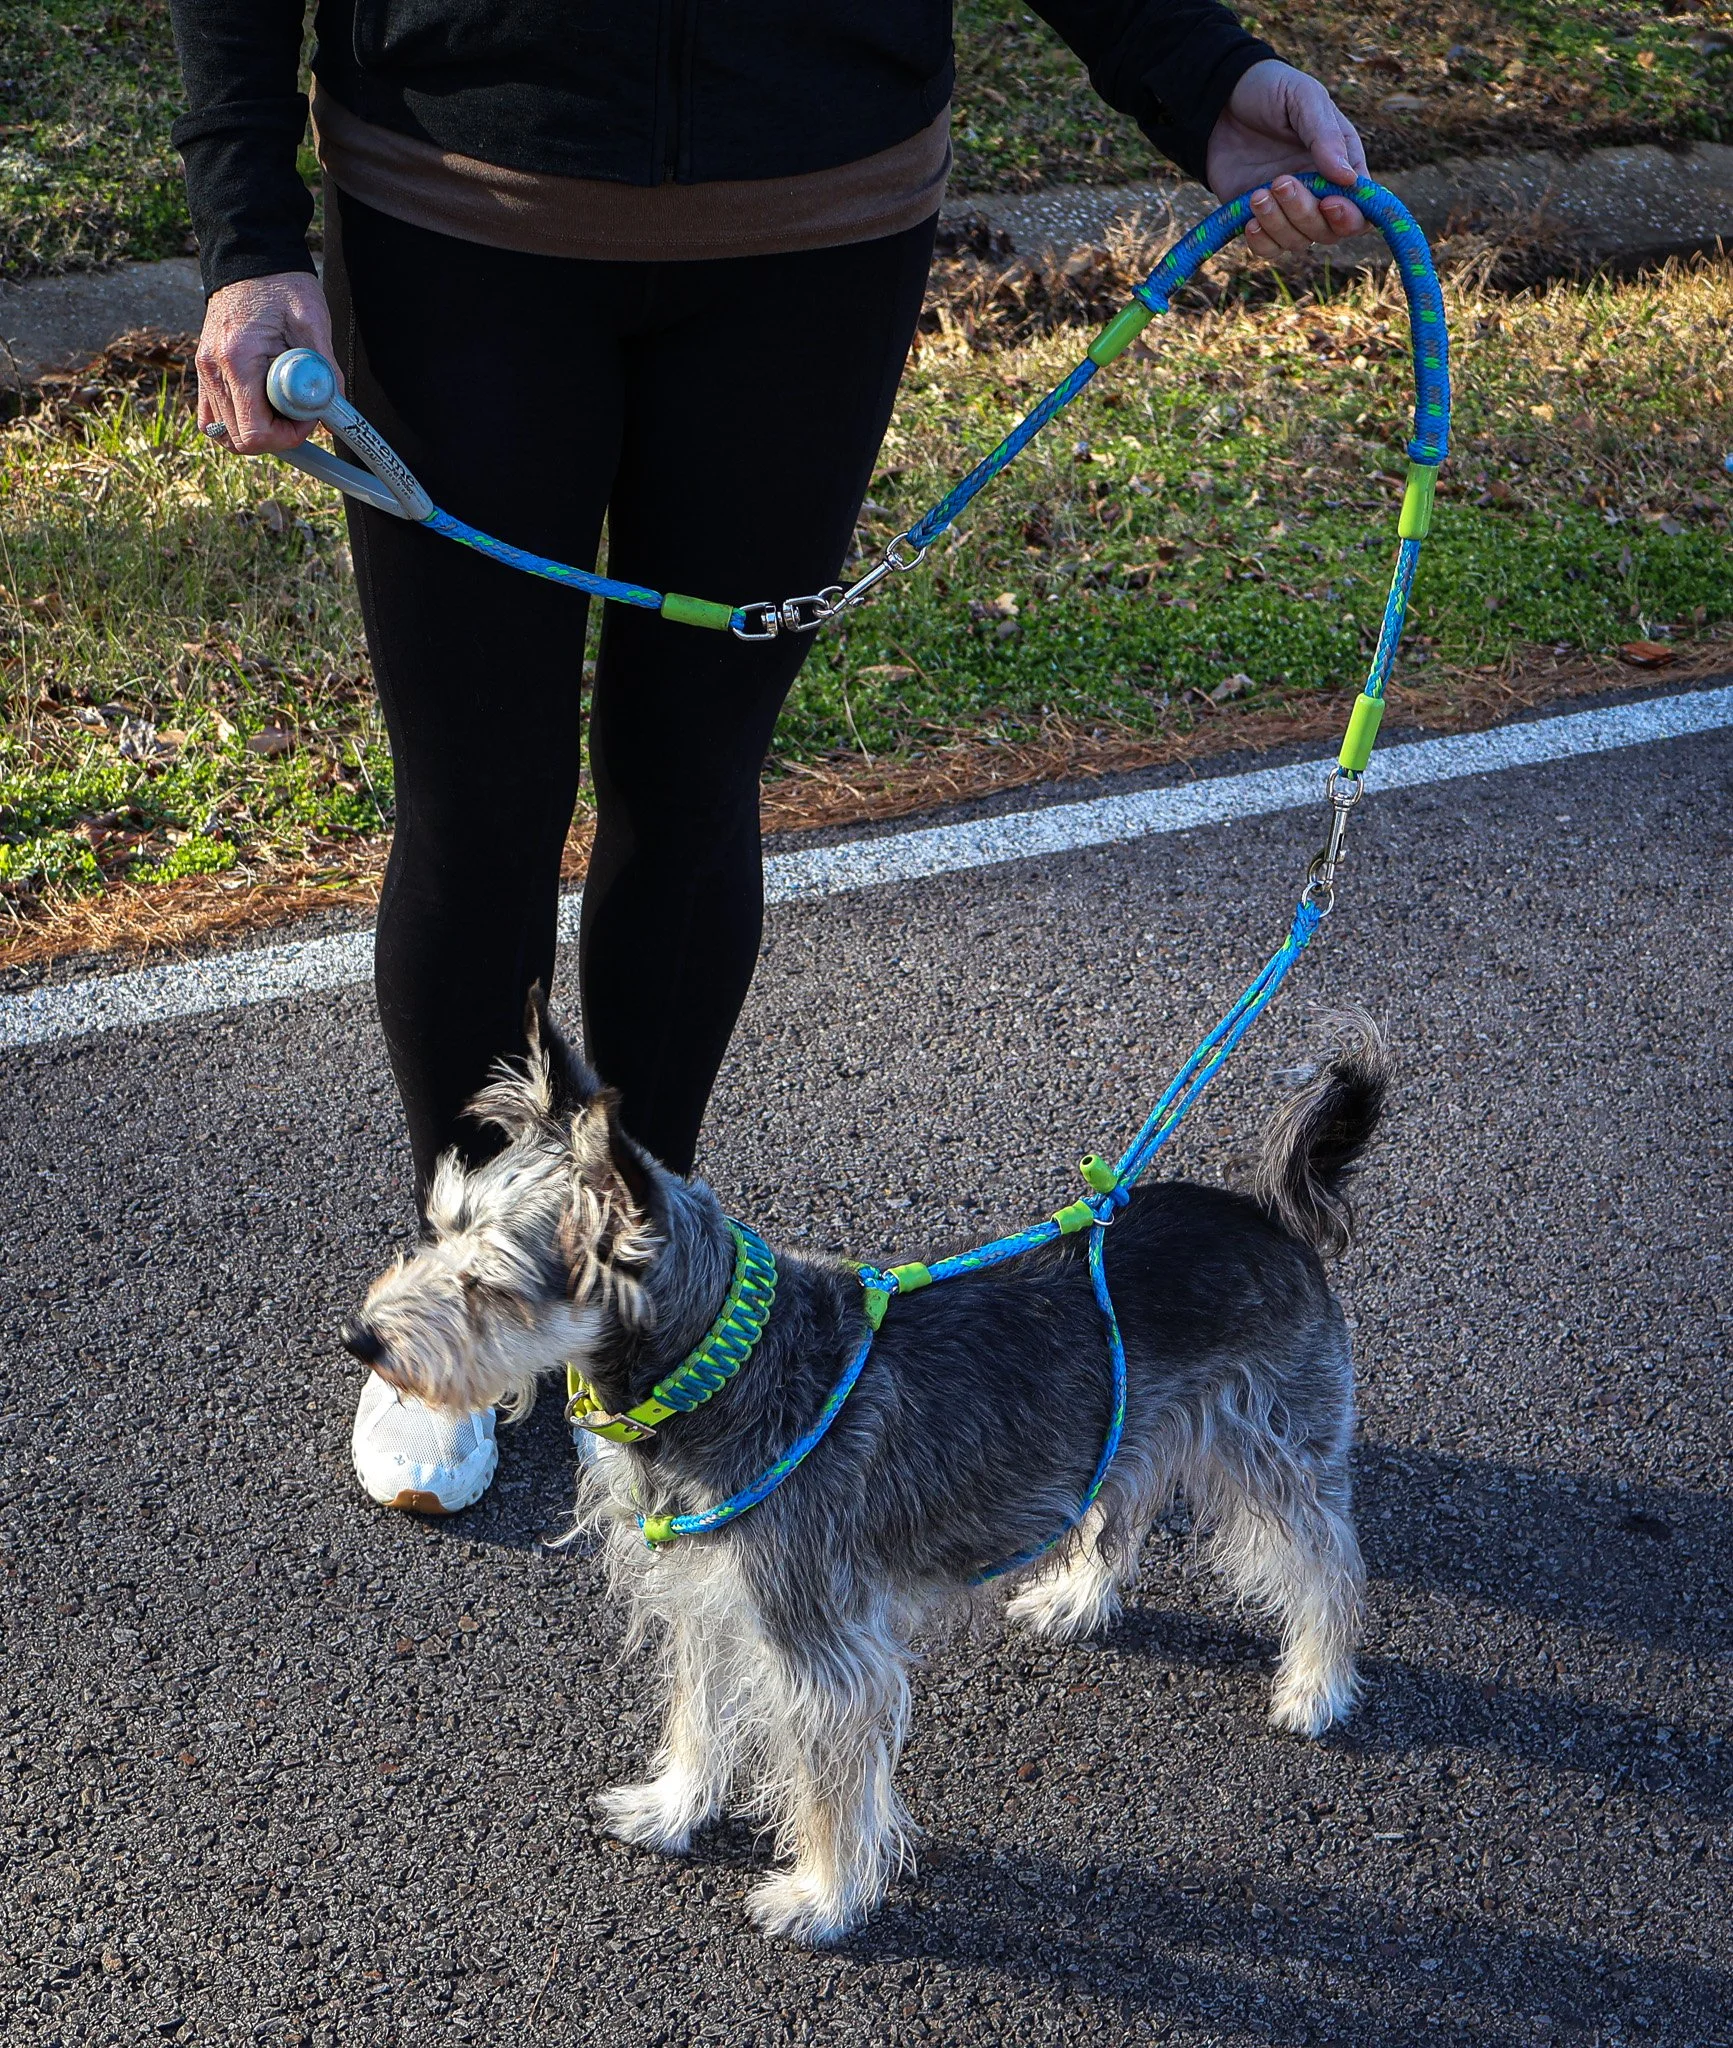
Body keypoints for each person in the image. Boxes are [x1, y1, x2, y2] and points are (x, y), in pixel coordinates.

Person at [169, 3, 1372, 1514]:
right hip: (461, 202)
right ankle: (468, 1304)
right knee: (484, 800)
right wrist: (247, 227)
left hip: (815, 220)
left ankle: (620, 1289)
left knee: (692, 780)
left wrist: (1197, 74)